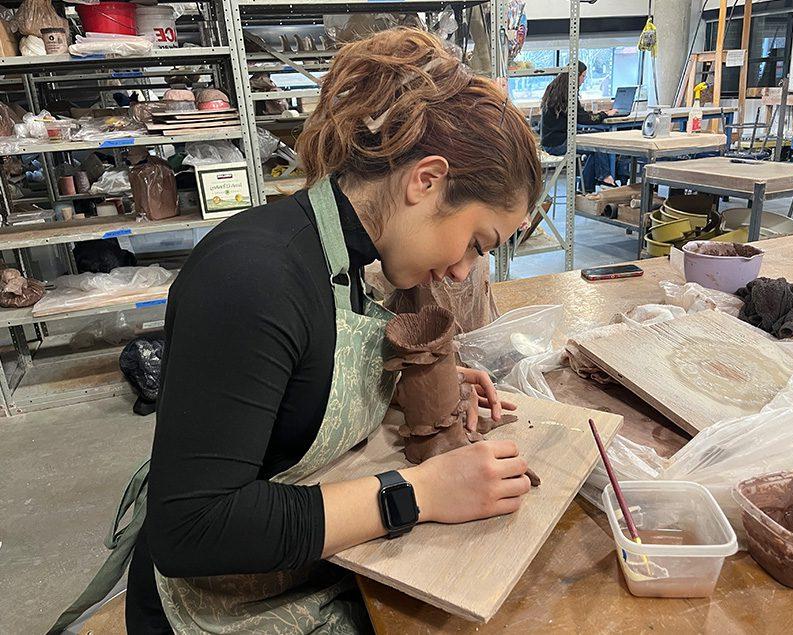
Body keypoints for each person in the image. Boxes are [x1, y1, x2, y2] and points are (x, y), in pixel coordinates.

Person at [48, 28, 543, 635]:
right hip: (219, 604)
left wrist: (420, 380)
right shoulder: (254, 275)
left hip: (303, 567)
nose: (468, 269)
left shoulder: (348, 259)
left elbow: (300, 382)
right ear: (427, 180)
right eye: (476, 241)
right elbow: (194, 528)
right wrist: (419, 492)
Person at [540, 61, 619, 191]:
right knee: (597, 145)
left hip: (551, 141)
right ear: (575, 76)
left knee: (593, 150)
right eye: (583, 76)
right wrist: (605, 114)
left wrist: (597, 114)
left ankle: (586, 190)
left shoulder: (555, 88)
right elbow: (582, 118)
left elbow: (578, 114)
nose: (583, 81)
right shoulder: (567, 93)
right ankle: (605, 178)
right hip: (558, 144)